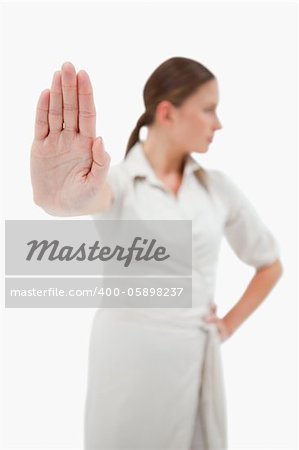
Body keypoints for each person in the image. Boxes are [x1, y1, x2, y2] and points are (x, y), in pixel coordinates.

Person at [30, 57, 283, 449]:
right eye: (209, 109)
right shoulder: (119, 183)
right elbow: (86, 199)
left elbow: (269, 264)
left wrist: (228, 325)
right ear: (168, 112)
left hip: (194, 362)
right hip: (127, 365)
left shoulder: (216, 188)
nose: (218, 123)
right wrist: (56, 198)